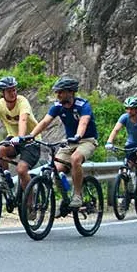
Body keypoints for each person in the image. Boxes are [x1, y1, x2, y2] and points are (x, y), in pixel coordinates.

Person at [22, 76, 99, 209]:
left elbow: (84, 122)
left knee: (75, 159)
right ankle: (65, 198)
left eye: (60, 92)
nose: (57, 95)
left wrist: (78, 136)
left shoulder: (83, 105)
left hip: (87, 140)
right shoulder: (57, 106)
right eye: (57, 92)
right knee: (55, 170)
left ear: (70, 92)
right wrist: (31, 135)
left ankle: (77, 195)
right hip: (69, 142)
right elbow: (45, 122)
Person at [104, 97, 137, 185]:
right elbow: (115, 130)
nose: (129, 111)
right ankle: (126, 193)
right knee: (125, 169)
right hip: (131, 144)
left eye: (131, 109)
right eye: (127, 108)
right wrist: (109, 142)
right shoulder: (124, 117)